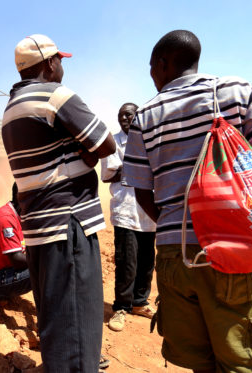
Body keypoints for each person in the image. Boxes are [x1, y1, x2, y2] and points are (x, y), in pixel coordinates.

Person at [123, 30, 252, 373]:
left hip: (176, 253)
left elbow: (143, 191)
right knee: (245, 360)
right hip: (234, 248)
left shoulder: (144, 115)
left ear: (162, 63)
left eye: (151, 68)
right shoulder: (236, 90)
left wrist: (178, 222)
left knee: (198, 361)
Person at [2, 34, 116, 372]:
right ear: (50, 63)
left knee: (56, 318)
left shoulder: (10, 108)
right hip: (69, 226)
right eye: (60, 60)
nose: (62, 66)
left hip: (38, 230)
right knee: (79, 322)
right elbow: (106, 143)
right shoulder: (55, 96)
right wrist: (88, 156)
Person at [100, 103, 156, 332]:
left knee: (147, 261)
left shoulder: (151, 140)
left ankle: (140, 302)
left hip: (149, 210)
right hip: (126, 210)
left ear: (137, 117)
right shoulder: (113, 143)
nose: (124, 118)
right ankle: (121, 307)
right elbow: (107, 175)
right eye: (120, 115)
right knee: (126, 262)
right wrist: (138, 168)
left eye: (128, 114)